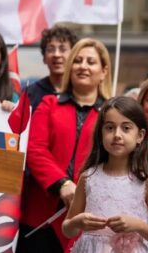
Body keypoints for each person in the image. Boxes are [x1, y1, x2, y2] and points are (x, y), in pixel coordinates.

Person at [20, 38, 113, 252]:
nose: (83, 66)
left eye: (91, 62)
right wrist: (62, 184)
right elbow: (35, 148)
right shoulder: (49, 104)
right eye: (78, 61)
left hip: (90, 216)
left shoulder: (111, 113)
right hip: (40, 214)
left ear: (104, 71)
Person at [62, 96, 148, 251]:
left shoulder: (147, 182)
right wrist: (77, 222)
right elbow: (67, 230)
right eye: (109, 127)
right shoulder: (88, 177)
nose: (117, 135)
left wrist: (139, 226)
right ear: (101, 134)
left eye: (126, 128)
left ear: (140, 136)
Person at [26, 25, 79, 112]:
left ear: (74, 55)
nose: (56, 55)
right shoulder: (30, 93)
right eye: (51, 49)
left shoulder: (82, 92)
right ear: (44, 58)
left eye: (63, 49)